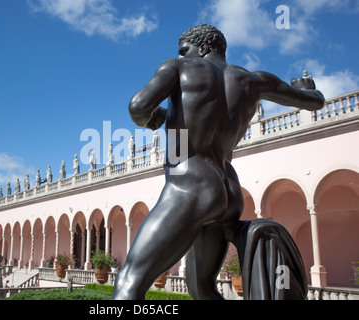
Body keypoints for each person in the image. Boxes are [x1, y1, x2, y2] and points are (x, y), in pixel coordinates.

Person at [112, 24, 324, 300]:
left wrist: (151, 119)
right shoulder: (254, 80)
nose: (181, 55)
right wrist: (307, 88)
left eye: (184, 50)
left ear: (201, 48)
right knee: (202, 288)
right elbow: (314, 102)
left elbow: (138, 106)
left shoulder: (178, 67)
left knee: (129, 283)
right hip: (229, 190)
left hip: (189, 185)